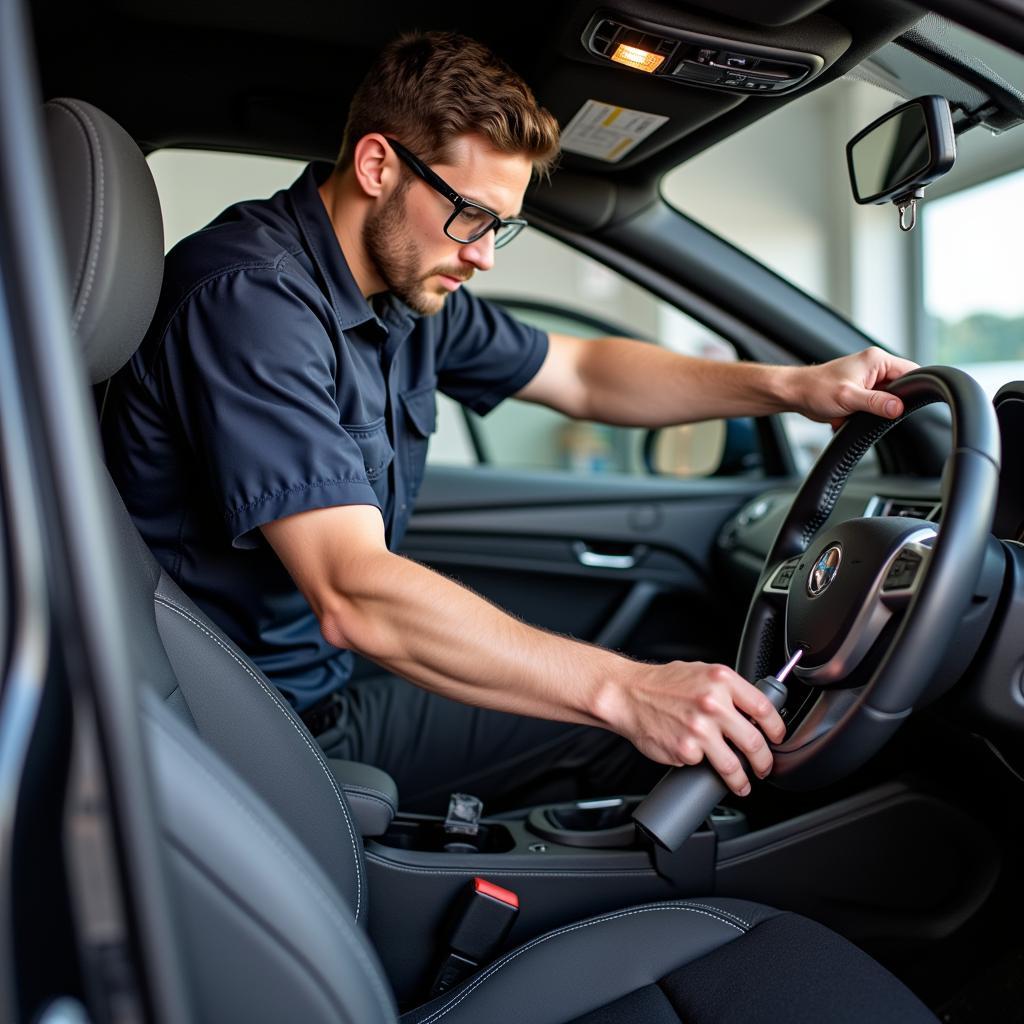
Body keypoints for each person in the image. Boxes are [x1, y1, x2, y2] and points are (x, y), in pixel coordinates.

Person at [104, 30, 917, 813]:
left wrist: (792, 384)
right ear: (379, 164)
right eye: (472, 216)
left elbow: (586, 374)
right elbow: (355, 594)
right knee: (645, 727)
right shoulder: (251, 300)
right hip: (248, 730)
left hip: (310, 690)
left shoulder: (404, 290)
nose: (485, 254)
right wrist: (628, 693)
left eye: (502, 226)